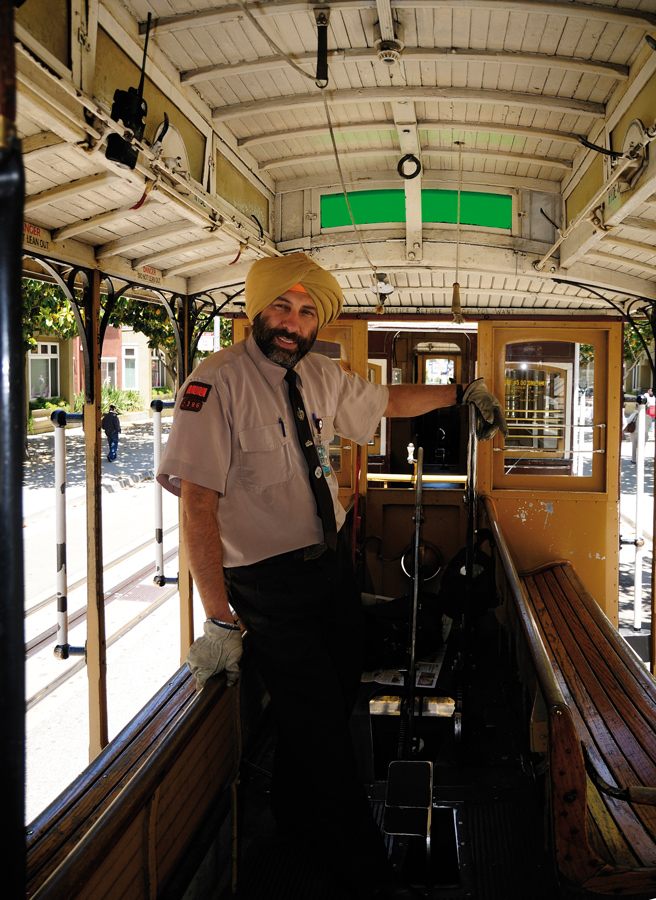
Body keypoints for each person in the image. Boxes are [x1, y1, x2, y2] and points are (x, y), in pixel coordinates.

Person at [157, 252, 507, 899]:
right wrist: (216, 618)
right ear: (256, 310)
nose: (293, 322)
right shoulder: (215, 384)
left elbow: (387, 398)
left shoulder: (317, 374)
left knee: (340, 687)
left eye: (307, 311)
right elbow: (196, 505)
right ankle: (366, 875)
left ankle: (294, 813)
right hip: (269, 585)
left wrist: (459, 393)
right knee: (322, 728)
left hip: (330, 563)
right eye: (282, 308)